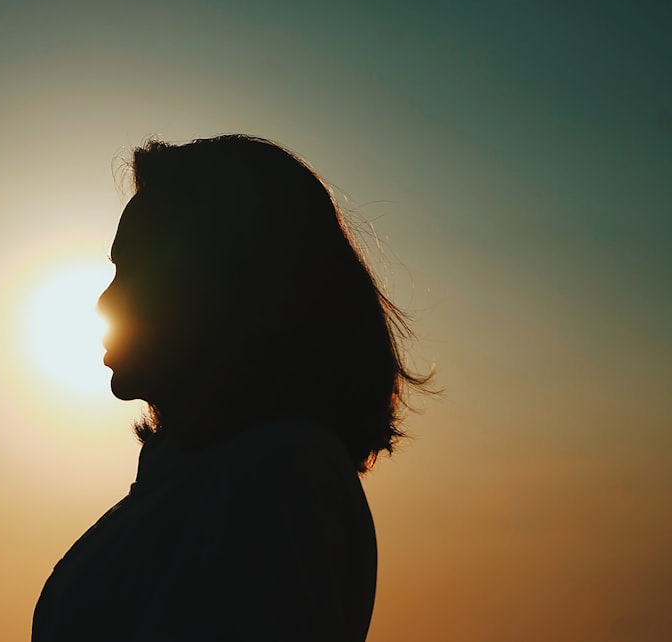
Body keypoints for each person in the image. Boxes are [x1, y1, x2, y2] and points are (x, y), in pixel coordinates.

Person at [32, 135, 430, 642]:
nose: (103, 303)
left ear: (221, 284)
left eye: (133, 267)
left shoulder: (279, 476)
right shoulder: (208, 477)